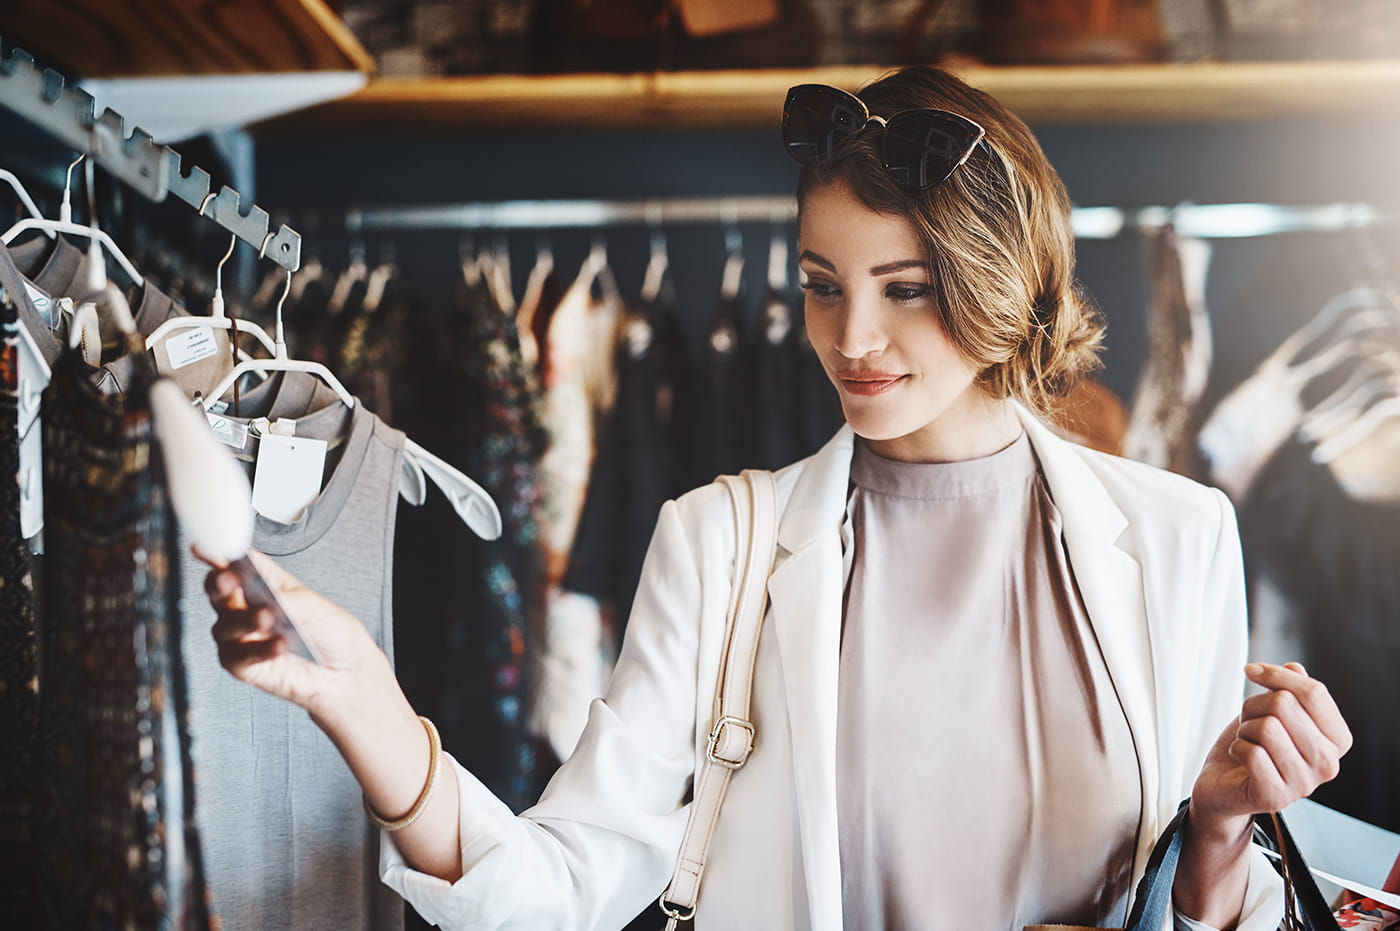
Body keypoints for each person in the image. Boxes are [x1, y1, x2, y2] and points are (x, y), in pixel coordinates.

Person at [201, 66, 1351, 930]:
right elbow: (562, 883)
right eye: (819, 284)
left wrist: (1218, 829)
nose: (850, 339)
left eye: (904, 290)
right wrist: (367, 707)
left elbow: (1210, 908)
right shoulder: (719, 543)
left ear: (1002, 287)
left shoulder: (1174, 535)